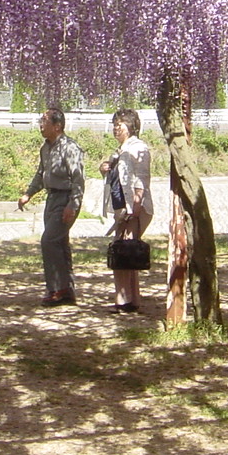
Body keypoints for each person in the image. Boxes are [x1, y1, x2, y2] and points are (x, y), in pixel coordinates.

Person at [17, 109, 85, 306]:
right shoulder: (45, 148)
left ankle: (56, 288)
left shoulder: (70, 148)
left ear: (57, 126)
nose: (40, 124)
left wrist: (73, 205)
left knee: (49, 241)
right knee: (60, 243)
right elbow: (41, 174)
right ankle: (67, 290)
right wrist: (28, 194)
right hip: (52, 198)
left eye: (44, 121)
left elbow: (78, 180)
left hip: (66, 199)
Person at [99, 109, 152, 314]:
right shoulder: (120, 150)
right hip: (123, 207)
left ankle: (124, 301)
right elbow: (118, 178)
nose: (115, 128)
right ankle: (132, 299)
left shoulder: (139, 148)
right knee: (127, 252)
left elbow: (141, 178)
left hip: (134, 208)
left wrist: (136, 207)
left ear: (130, 127)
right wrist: (105, 168)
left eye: (119, 125)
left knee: (123, 252)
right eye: (114, 124)